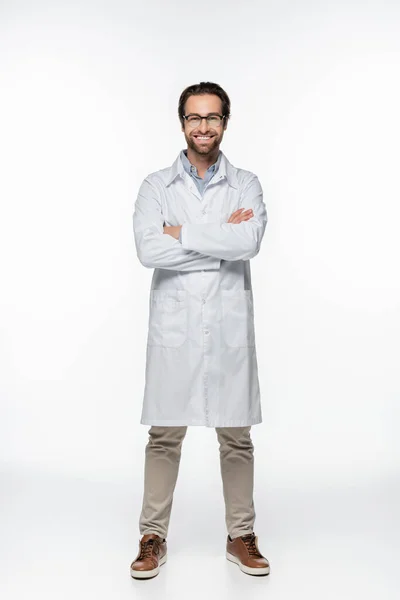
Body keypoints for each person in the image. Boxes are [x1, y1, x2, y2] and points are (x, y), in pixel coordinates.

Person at [130, 81, 269, 579]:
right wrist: (219, 240)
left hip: (226, 327)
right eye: (195, 117)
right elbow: (148, 252)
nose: (203, 126)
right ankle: (152, 536)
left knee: (237, 436)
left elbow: (249, 240)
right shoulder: (155, 186)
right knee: (164, 434)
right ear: (182, 122)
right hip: (177, 329)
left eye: (212, 118)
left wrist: (181, 232)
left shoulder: (246, 184)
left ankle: (241, 535)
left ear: (225, 123)